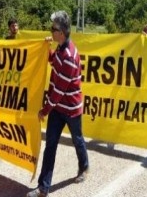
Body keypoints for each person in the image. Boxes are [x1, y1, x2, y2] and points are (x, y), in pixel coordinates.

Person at [27, 11, 89, 197]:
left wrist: (44, 110)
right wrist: (45, 47)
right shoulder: (61, 49)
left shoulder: (69, 56)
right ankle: (43, 188)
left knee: (77, 140)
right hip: (58, 107)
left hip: (70, 108)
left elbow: (59, 90)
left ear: (61, 32)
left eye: (53, 29)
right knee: (51, 145)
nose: (51, 31)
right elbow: (52, 59)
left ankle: (84, 167)